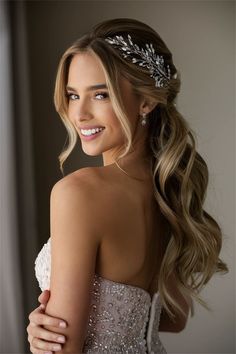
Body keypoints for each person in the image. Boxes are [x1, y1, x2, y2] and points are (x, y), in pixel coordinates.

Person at [26, 17, 228, 354]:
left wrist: (45, 335)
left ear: (146, 102)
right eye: (73, 95)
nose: (80, 114)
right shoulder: (167, 189)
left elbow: (63, 347)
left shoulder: (78, 193)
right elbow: (174, 316)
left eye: (100, 94)